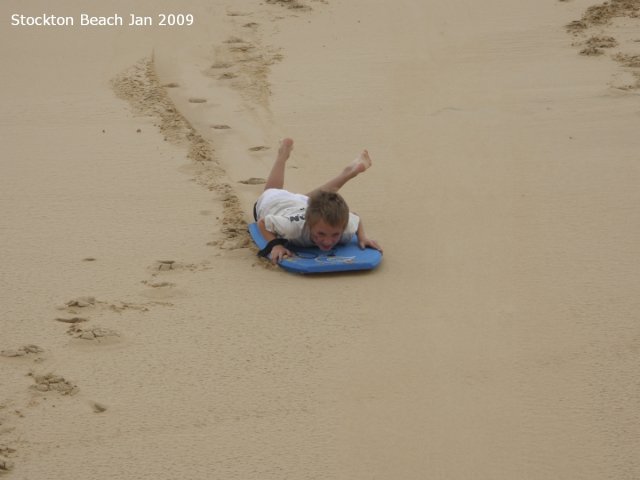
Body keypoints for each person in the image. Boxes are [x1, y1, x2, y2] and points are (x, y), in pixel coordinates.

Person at [253, 138, 383, 264]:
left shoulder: (345, 228)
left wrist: (362, 237)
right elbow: (262, 222)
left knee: (320, 200)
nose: (327, 241)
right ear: (308, 223)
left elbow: (356, 218)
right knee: (272, 190)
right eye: (321, 234)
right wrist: (275, 245)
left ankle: (347, 173)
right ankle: (283, 154)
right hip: (274, 202)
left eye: (335, 234)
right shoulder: (291, 228)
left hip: (301, 203)